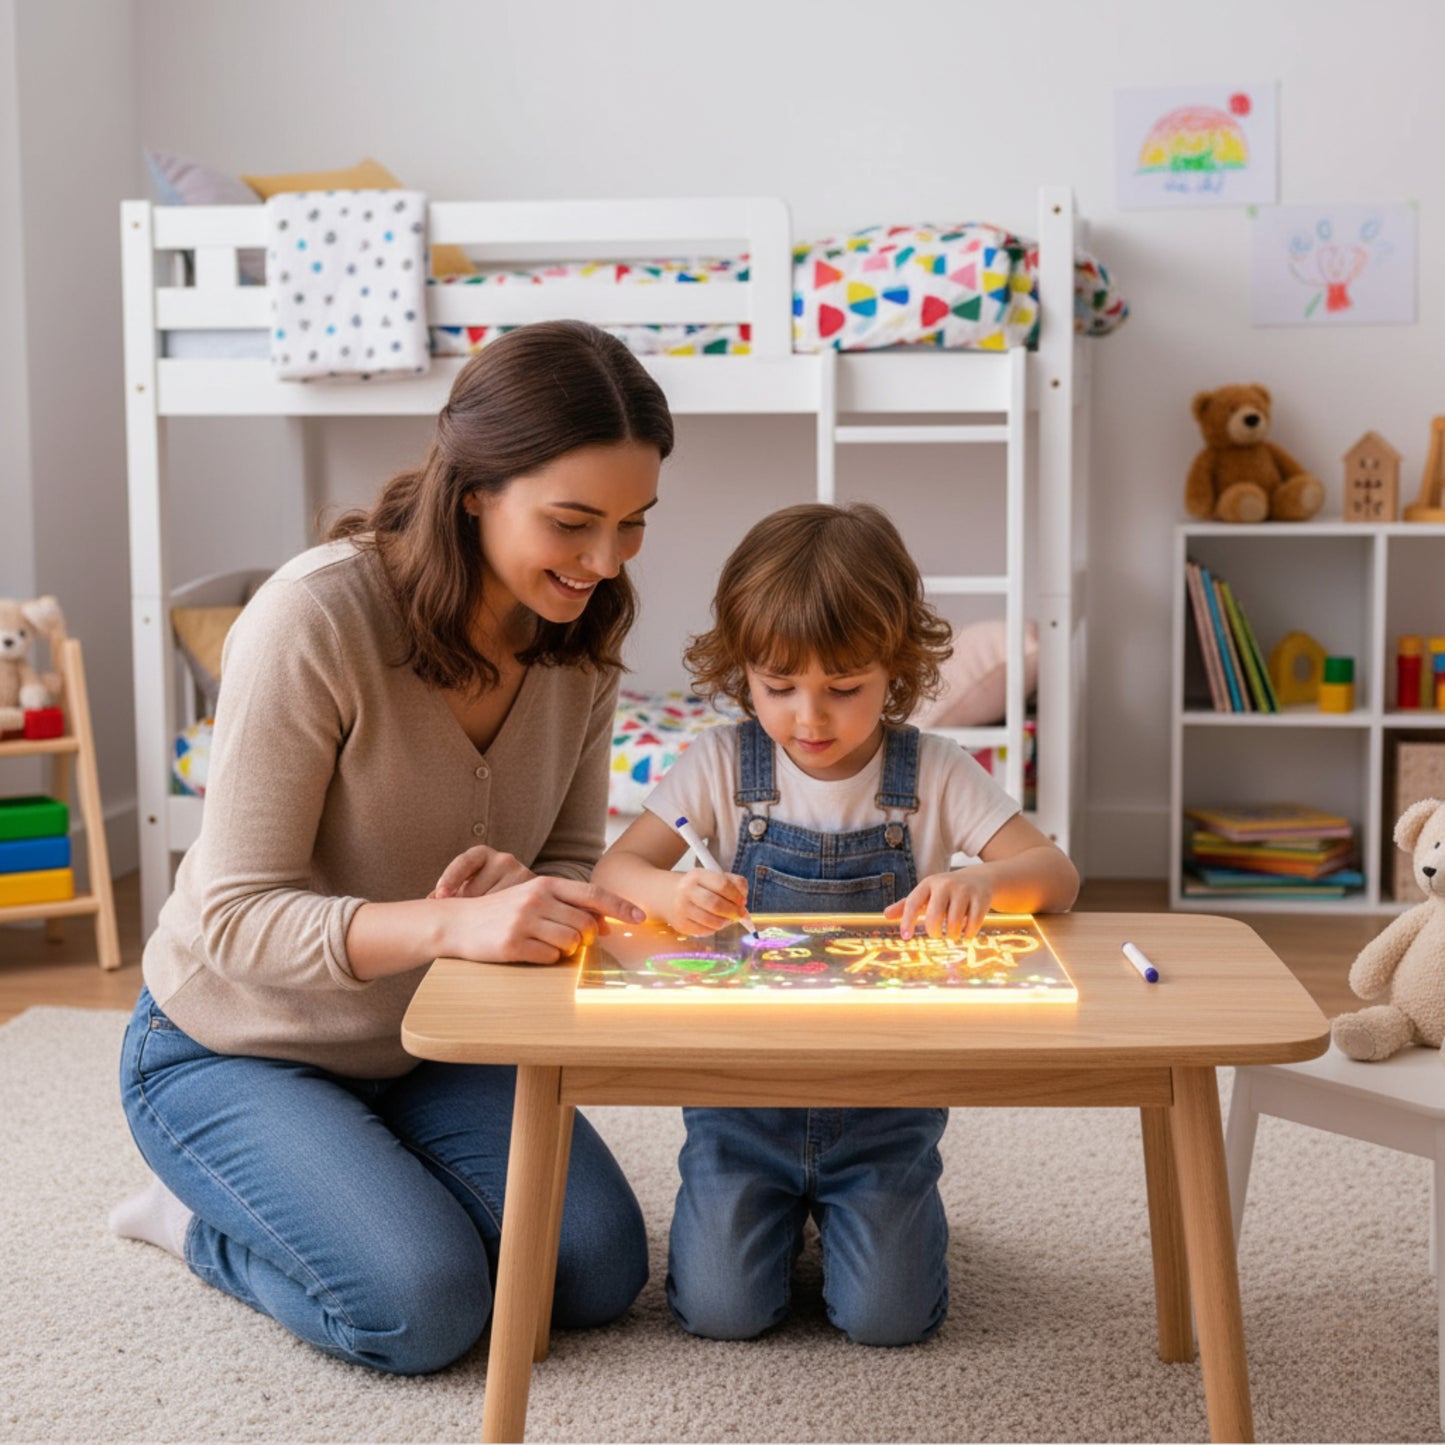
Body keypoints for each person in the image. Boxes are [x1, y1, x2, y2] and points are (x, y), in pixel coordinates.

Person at [110, 320, 672, 1375]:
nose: (605, 561)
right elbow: (232, 917)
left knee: (597, 1273)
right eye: (573, 521)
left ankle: (365, 1179)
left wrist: (533, 891)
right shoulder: (314, 619)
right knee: (425, 1306)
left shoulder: (580, 636)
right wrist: (451, 920)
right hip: (233, 1043)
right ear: (473, 489)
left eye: (634, 522)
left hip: (427, 1040)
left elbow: (565, 850)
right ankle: (194, 1224)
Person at [593, 501, 1079, 1347]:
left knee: (888, 1321)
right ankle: (778, 1216)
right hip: (739, 1101)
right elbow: (613, 872)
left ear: (895, 667)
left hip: (884, 1103)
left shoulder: (932, 769)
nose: (808, 719)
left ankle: (870, 1215)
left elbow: (1057, 876)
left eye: (843, 688)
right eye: (777, 686)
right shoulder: (718, 763)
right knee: (721, 1313)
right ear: (741, 667)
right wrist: (668, 896)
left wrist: (985, 885)